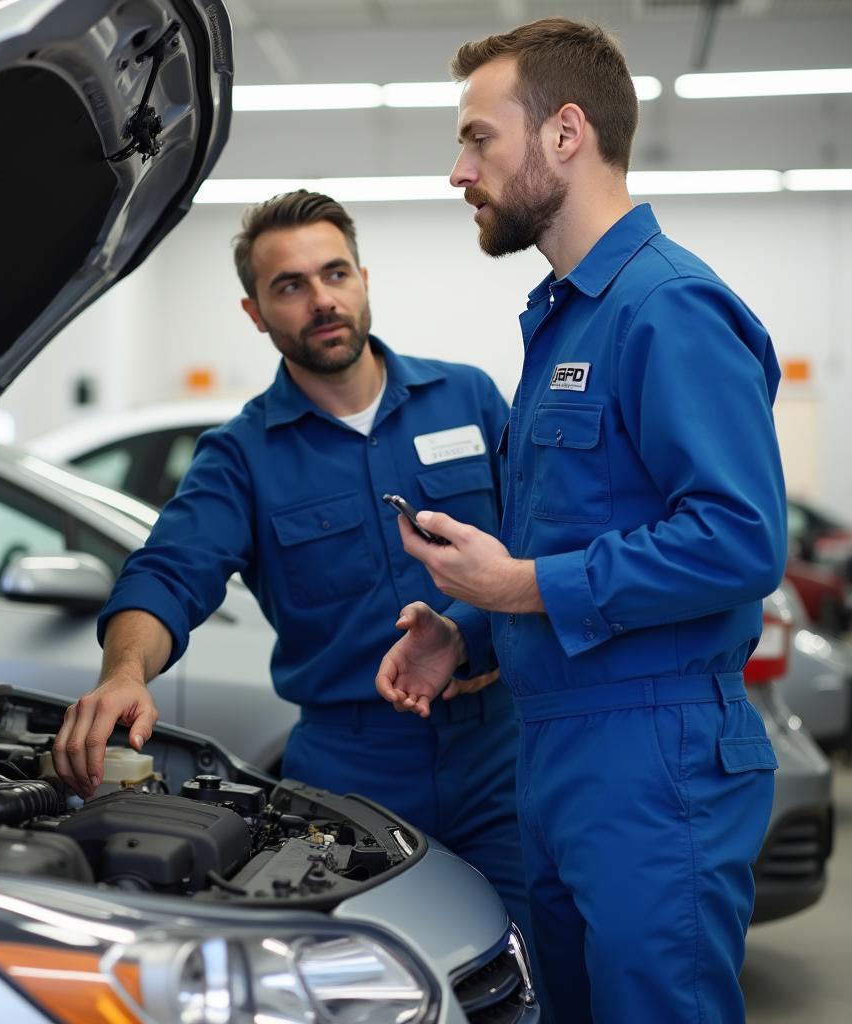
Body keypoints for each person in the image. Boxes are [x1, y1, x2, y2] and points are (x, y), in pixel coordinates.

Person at [375, 18, 786, 1024]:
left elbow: (740, 538)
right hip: (554, 749)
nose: (457, 171)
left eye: (478, 138)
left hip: (655, 758)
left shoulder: (666, 307)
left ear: (565, 133)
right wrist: (467, 626)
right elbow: (573, 533)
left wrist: (515, 586)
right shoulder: (565, 318)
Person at [52, 189, 527, 924]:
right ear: (255, 311)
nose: (321, 300)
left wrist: (471, 630)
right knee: (374, 979)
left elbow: (535, 543)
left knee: (536, 969)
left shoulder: (468, 400)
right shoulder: (240, 457)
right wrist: (123, 673)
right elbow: (169, 573)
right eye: (290, 286)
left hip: (504, 749)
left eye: (335, 274)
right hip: (354, 773)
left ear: (364, 279)